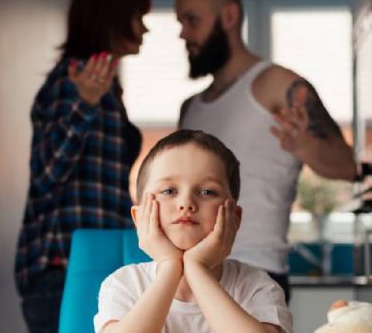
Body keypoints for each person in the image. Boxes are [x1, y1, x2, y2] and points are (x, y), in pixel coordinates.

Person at [175, 0, 357, 302]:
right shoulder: (190, 107)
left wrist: (305, 146)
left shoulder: (278, 85)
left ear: (229, 17)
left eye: (192, 20)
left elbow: (346, 167)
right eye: (180, 22)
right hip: (189, 274)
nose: (183, 33)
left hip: (255, 274)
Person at [14, 0, 151, 333]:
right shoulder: (73, 82)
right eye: (139, 17)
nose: (145, 29)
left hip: (95, 262)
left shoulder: (106, 88)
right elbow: (47, 173)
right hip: (65, 267)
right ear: (114, 15)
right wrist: (83, 105)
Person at [94, 129, 292, 333]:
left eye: (207, 191)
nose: (186, 203)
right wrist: (170, 265)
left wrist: (197, 268)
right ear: (139, 217)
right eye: (169, 191)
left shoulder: (256, 286)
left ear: (234, 218)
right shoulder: (124, 284)